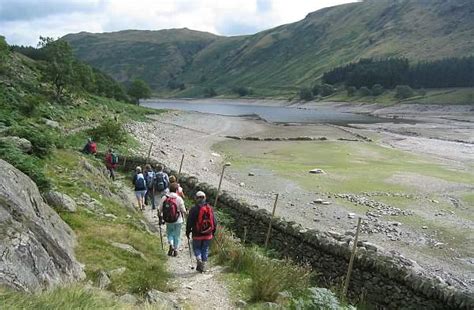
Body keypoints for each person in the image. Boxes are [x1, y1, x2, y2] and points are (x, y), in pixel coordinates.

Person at [186, 191, 217, 272]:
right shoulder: (209, 208)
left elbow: (189, 222)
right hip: (208, 234)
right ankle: (203, 265)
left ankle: (198, 258)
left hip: (197, 234)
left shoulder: (193, 209)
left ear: (196, 198)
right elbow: (214, 221)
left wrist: (188, 232)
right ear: (205, 198)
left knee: (196, 248)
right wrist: (213, 231)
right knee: (205, 249)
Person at [158, 183, 186, 257]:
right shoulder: (179, 198)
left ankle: (171, 244)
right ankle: (176, 249)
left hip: (168, 219)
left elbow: (159, 209)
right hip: (178, 220)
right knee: (177, 235)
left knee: (169, 233)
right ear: (176, 190)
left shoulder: (165, 198)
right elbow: (183, 210)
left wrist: (160, 217)